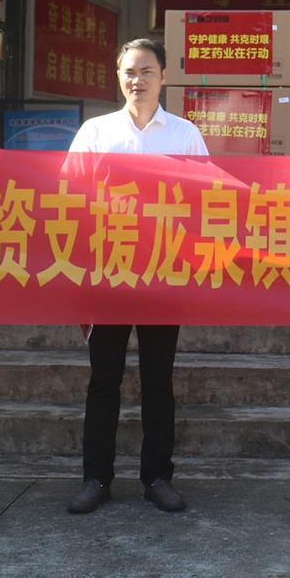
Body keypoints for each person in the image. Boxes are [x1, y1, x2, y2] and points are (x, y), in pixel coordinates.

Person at [64, 37, 207, 516]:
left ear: (164, 76)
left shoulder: (184, 134)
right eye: (129, 71)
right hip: (108, 274)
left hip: (165, 275)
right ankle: (96, 478)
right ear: (118, 76)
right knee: (104, 379)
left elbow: (207, 199)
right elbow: (69, 194)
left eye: (147, 71)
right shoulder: (96, 132)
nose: (137, 79)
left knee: (158, 380)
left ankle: (158, 477)